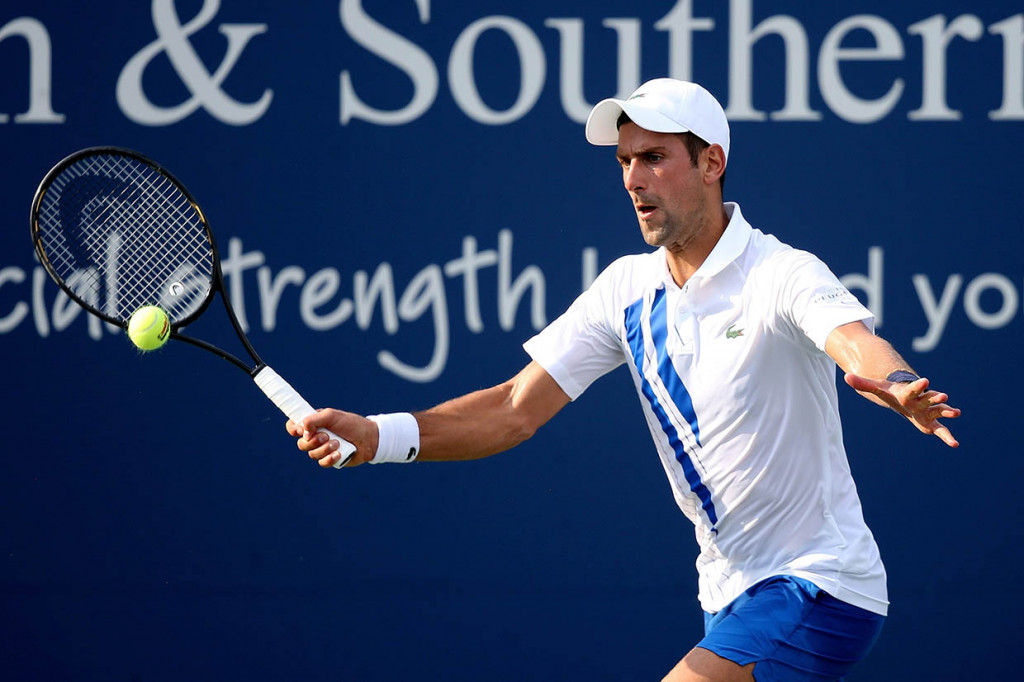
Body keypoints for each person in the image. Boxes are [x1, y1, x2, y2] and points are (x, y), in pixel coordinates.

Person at [286, 78, 960, 682]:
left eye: (654, 158)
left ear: (711, 163)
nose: (633, 179)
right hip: (728, 595)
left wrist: (897, 382)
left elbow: (854, 342)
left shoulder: (782, 272)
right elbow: (514, 409)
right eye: (625, 162)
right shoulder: (625, 291)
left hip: (820, 584)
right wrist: (378, 436)